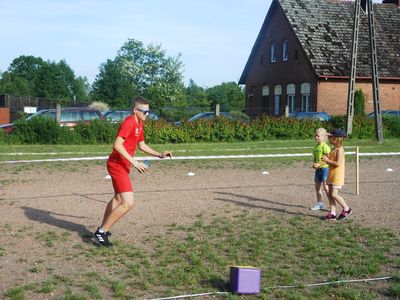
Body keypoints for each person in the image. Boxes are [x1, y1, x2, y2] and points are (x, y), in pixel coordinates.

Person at [94, 96, 172, 246]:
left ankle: (102, 228)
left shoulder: (139, 123)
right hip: (117, 165)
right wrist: (135, 163)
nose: (147, 114)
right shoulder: (129, 122)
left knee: (117, 199)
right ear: (135, 110)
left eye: (149, 112)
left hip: (123, 165)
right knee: (128, 203)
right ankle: (101, 232)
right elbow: (117, 145)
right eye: (145, 112)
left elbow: (141, 146)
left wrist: (159, 155)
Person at [321, 128, 352, 221]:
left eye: (331, 137)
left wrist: (327, 160)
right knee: (330, 194)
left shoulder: (340, 150)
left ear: (337, 139)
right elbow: (329, 161)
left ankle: (347, 209)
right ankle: (332, 213)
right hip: (331, 174)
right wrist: (320, 163)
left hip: (337, 176)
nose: (329, 139)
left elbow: (338, 163)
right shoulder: (333, 149)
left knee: (334, 194)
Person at [310, 128, 331, 211]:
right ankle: (319, 204)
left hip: (325, 169)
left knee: (326, 188)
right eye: (315, 136)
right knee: (317, 187)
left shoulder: (325, 146)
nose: (316, 137)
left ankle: (331, 204)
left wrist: (319, 164)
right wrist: (314, 163)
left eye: (318, 136)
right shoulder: (316, 146)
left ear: (323, 137)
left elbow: (328, 158)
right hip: (318, 170)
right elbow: (315, 157)